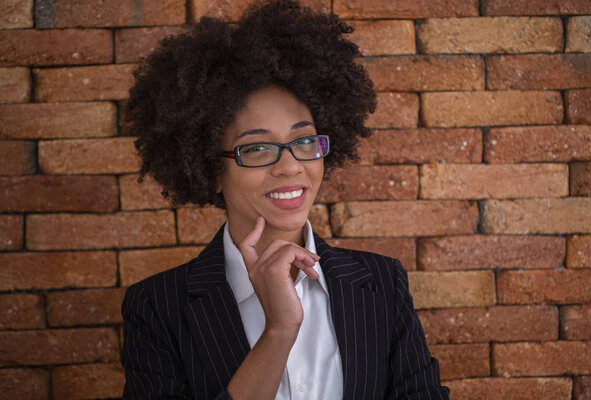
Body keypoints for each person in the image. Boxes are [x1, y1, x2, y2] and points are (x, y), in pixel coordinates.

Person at [120, 1, 449, 399]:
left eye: (305, 141)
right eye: (257, 148)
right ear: (210, 169)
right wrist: (278, 332)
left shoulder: (382, 285)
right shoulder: (158, 307)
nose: (291, 167)